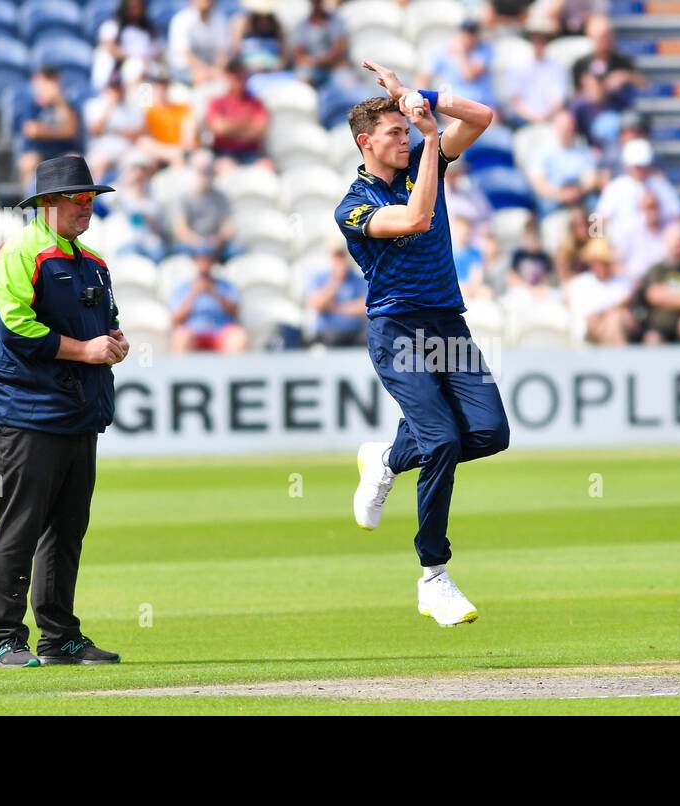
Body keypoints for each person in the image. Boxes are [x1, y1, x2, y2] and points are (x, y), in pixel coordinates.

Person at [336, 61, 509, 627]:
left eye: (406, 130)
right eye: (394, 132)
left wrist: (419, 95)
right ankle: (434, 575)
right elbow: (414, 220)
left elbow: (482, 116)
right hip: (398, 330)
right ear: (365, 143)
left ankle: (386, 460)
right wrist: (433, 137)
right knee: (439, 442)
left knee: (487, 433)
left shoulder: (422, 161)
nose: (405, 137)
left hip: (447, 325)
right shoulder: (354, 205)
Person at [0, 155, 129, 669]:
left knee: (66, 530)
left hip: (76, 413)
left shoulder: (94, 262)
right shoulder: (20, 252)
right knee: (16, 527)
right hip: (20, 413)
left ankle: (59, 637)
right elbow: (16, 329)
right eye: (79, 199)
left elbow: (106, 323)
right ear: (47, 204)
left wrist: (113, 343)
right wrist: (86, 351)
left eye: (92, 199)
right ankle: (5, 640)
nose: (88, 207)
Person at [168, 245, 249, 353]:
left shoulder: (226, 286)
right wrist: (193, 294)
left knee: (237, 337)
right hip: (194, 332)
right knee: (180, 337)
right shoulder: (183, 288)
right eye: (201, 259)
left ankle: (231, 369)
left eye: (208, 259)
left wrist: (214, 292)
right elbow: (176, 319)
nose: (204, 263)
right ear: (195, 261)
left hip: (220, 332)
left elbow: (235, 312)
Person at [15, 68, 82, 190]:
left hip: (62, 151)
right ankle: (29, 205)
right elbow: (32, 131)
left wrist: (59, 101)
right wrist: (61, 132)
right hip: (38, 151)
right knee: (28, 162)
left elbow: (72, 130)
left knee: (75, 159)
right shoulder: (31, 103)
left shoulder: (67, 103)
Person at [566, 237, 636, 344]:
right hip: (593, 328)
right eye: (598, 262)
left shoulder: (622, 282)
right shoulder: (579, 284)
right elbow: (586, 316)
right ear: (592, 263)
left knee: (614, 320)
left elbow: (627, 306)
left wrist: (609, 313)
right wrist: (611, 311)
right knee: (613, 320)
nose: (602, 266)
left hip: (617, 326)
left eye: (605, 262)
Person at [168, 149, 235, 258]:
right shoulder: (182, 197)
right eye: (201, 170)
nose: (205, 174)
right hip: (191, 245)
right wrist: (199, 243)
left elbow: (228, 227)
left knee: (237, 250)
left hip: (215, 244)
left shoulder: (221, 197)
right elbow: (180, 230)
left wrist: (217, 239)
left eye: (208, 170)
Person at [305, 237, 368, 347]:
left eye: (341, 255)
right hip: (327, 334)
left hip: (355, 334)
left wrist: (335, 308)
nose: (339, 259)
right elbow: (317, 304)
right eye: (336, 255)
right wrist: (336, 281)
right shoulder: (318, 277)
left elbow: (365, 307)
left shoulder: (358, 279)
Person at [206, 60, 269, 167]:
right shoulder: (217, 102)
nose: (238, 80)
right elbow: (219, 129)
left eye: (241, 76)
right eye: (234, 76)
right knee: (224, 167)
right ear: (227, 77)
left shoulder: (256, 103)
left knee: (266, 167)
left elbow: (260, 130)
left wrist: (230, 127)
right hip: (224, 153)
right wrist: (248, 124)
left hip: (251, 153)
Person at [167, 0, 231, 85]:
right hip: (182, 71)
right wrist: (209, 72)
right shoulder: (181, 20)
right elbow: (187, 55)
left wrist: (215, 71)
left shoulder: (221, 20)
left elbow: (222, 54)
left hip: (212, 71)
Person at [291, 0, 347, 88]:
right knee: (302, 79)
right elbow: (299, 55)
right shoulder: (302, 25)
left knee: (345, 87)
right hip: (313, 69)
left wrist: (314, 61)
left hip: (335, 68)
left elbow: (339, 51)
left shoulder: (337, 20)